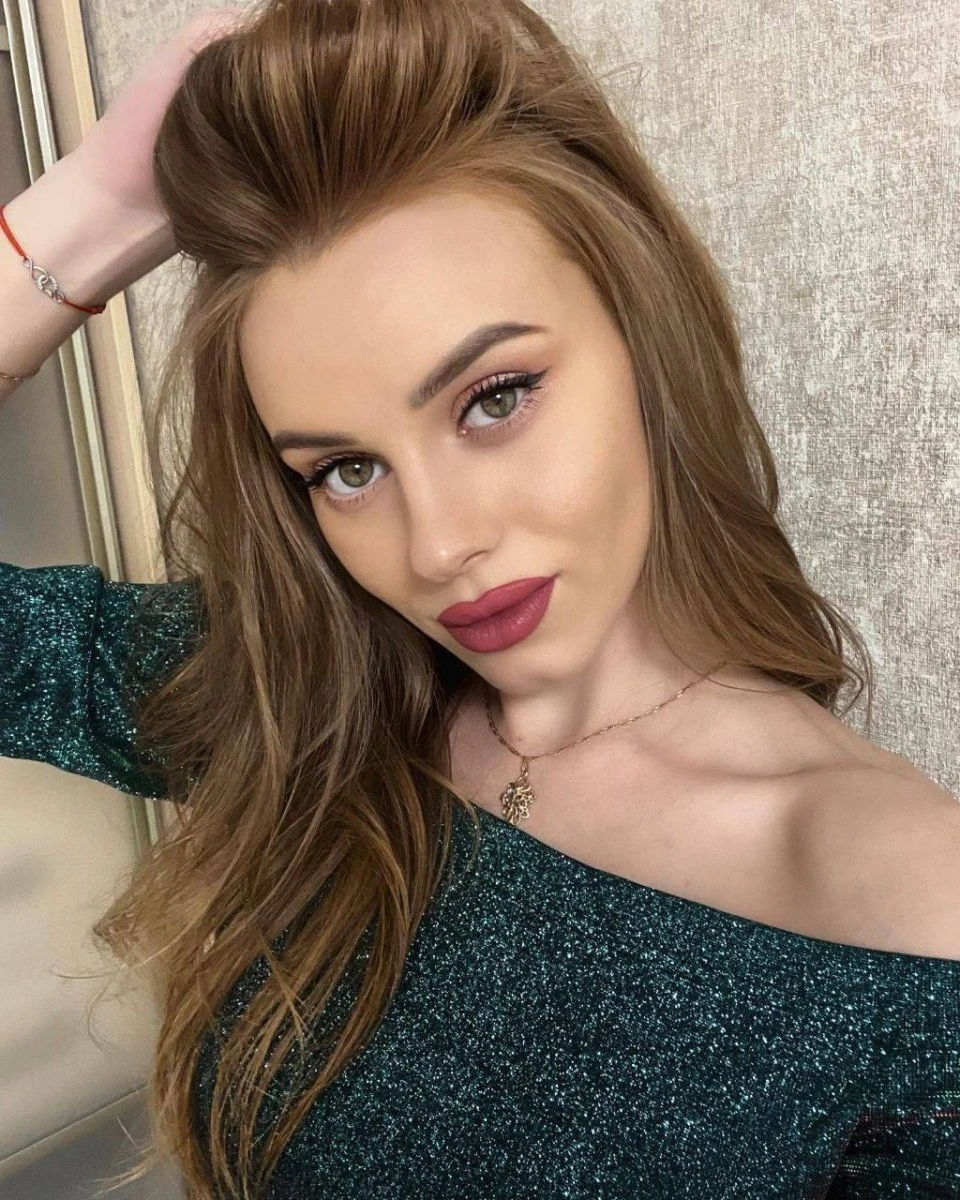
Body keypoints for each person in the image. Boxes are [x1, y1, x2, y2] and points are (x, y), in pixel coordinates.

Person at [1, 1, 958, 1197]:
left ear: (645, 335)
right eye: (346, 470)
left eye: (494, 399)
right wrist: (88, 215)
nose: (440, 545)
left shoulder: (905, 924)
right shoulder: (308, 706)